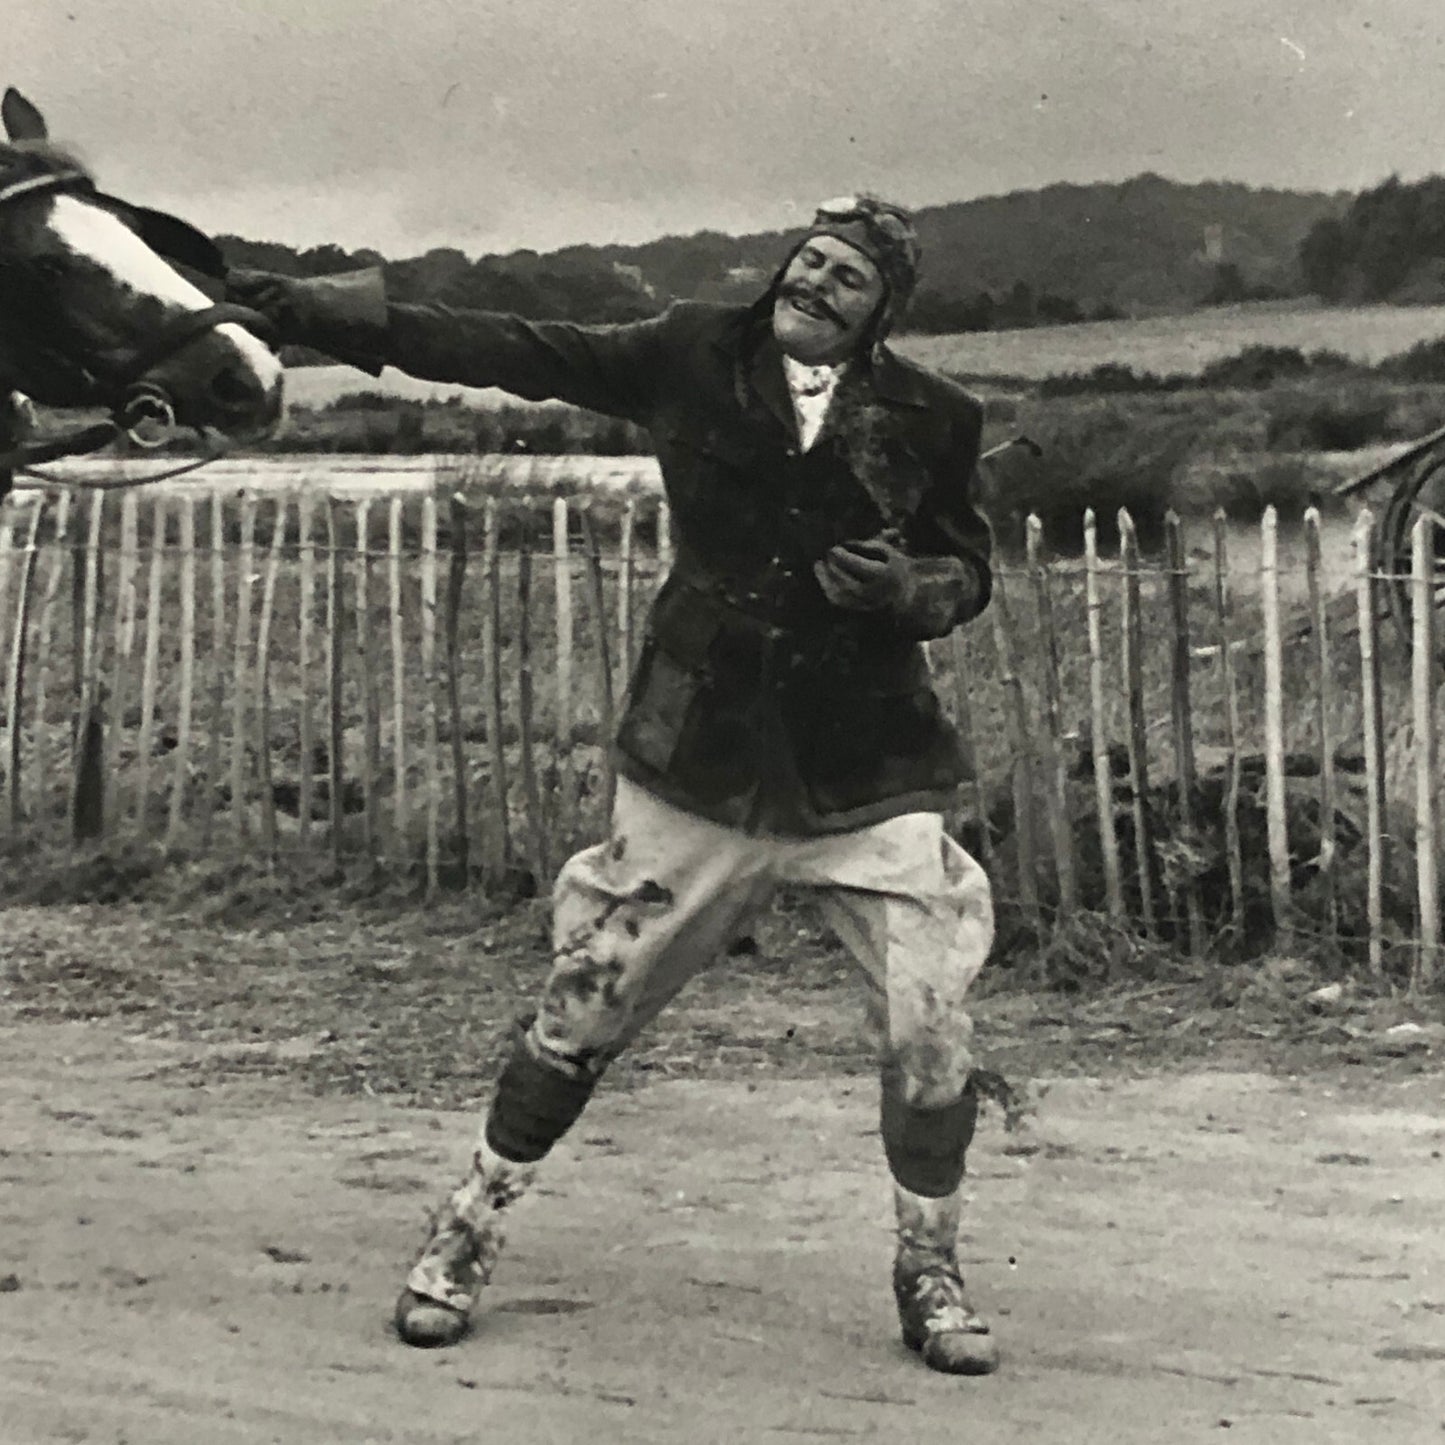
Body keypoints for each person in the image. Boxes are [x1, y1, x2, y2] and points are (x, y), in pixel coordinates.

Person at [229, 194, 1001, 1375]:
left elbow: (968, 569)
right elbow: (514, 347)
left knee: (931, 1025)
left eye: (848, 276)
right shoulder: (687, 352)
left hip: (867, 769)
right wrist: (347, 318)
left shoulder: (934, 416)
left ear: (881, 311)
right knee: (586, 999)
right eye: (809, 260)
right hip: (699, 754)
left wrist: (908, 590)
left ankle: (929, 1265)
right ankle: (467, 1228)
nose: (817, 282)